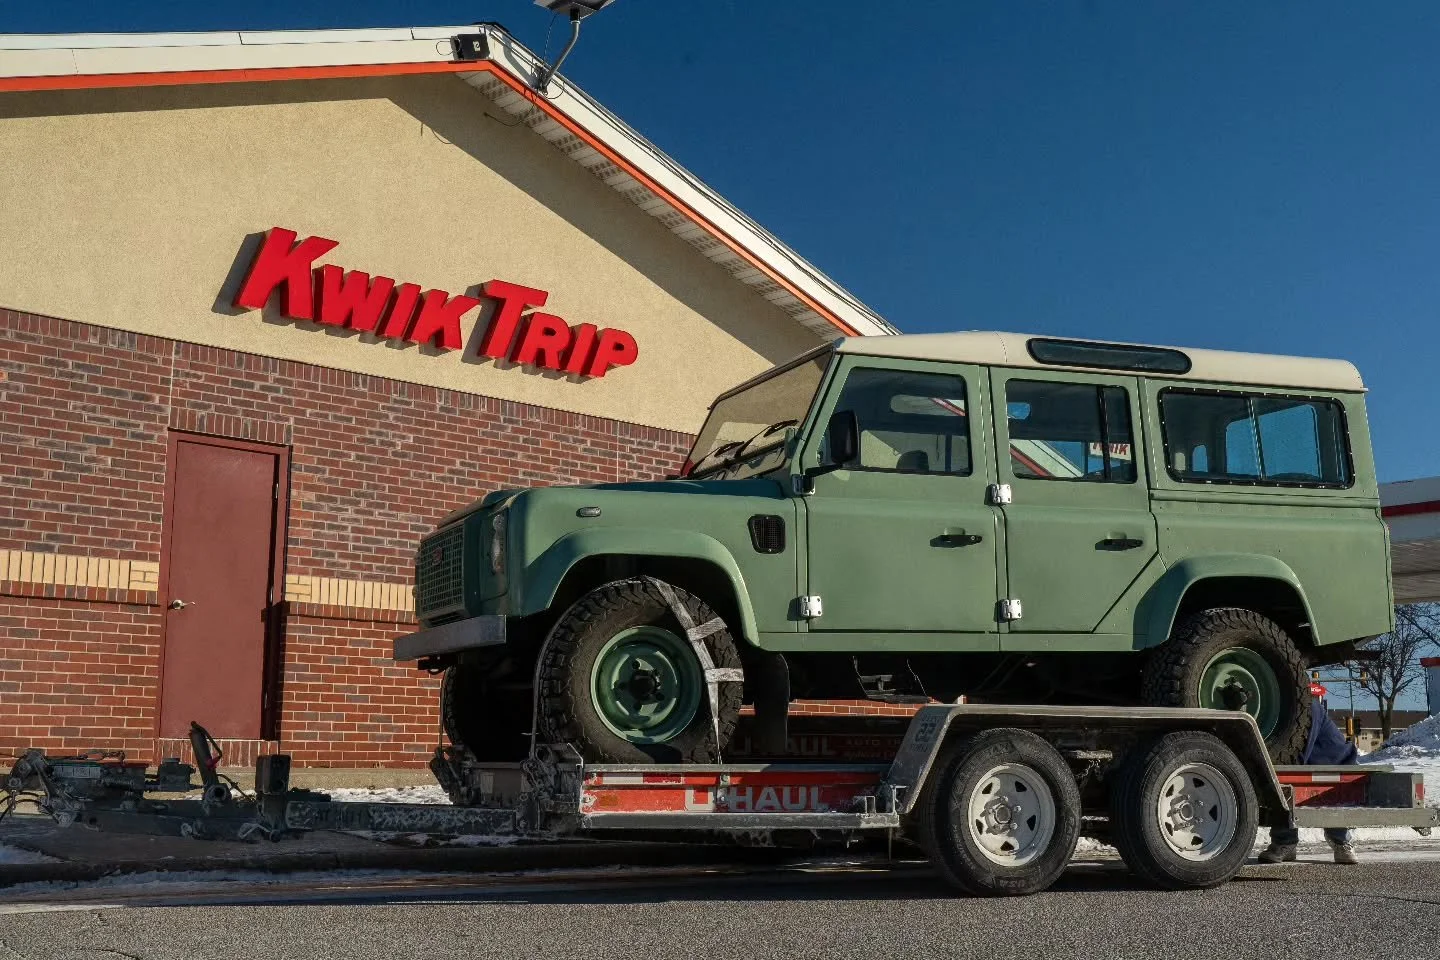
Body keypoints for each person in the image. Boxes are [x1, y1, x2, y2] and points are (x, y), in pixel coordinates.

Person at [1258, 685, 1360, 865]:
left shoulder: (1309, 707)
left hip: (1338, 763)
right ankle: (1286, 843)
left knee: (1327, 795)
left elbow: (1302, 747)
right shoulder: (1280, 708)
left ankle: (1341, 841)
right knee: (1285, 783)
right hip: (1315, 763)